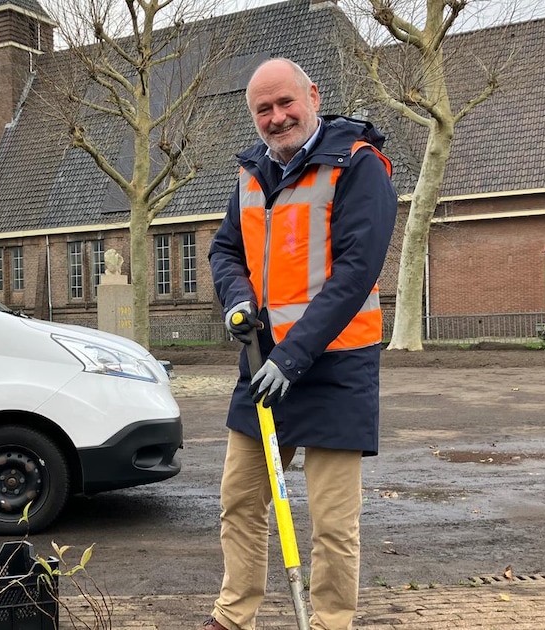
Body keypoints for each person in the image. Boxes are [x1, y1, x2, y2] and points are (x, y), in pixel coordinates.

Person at [201, 58, 397, 630]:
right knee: (240, 500)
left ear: (312, 95)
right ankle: (234, 616)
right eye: (263, 109)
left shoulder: (359, 166)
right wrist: (237, 298)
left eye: (285, 103)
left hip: (336, 366)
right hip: (263, 363)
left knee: (333, 522)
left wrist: (296, 353)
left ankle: (331, 622)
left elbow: (357, 270)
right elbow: (224, 250)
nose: (276, 117)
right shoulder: (250, 172)